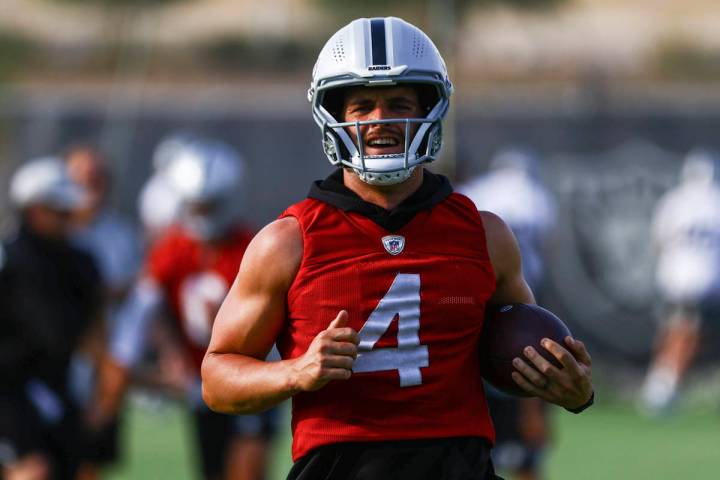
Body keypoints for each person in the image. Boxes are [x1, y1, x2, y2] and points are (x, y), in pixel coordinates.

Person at [201, 17, 594, 480]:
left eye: (399, 104)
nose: (380, 121)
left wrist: (572, 391)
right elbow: (216, 378)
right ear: (333, 114)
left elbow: (519, 352)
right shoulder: (288, 240)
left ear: (430, 109)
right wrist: (295, 372)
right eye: (362, 106)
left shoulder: (484, 234)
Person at [110, 136, 278, 480]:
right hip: (204, 380)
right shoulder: (173, 249)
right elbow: (143, 309)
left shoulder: (254, 247)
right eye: (197, 205)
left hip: (251, 371)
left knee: (248, 469)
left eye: (210, 205)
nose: (203, 215)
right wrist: (157, 353)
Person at [0, 157, 106, 480]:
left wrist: (99, 389)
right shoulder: (9, 261)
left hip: (58, 387)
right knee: (32, 471)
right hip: (7, 389)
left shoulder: (81, 263)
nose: (69, 218)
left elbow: (94, 331)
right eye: (60, 211)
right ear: (34, 211)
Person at [458, 148, 557, 480]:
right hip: (523, 297)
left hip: (469, 298)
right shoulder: (536, 196)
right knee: (527, 363)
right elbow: (547, 245)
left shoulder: (474, 195)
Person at [63, 143, 143, 478]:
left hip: (105, 363)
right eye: (82, 177)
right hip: (57, 358)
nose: (90, 185)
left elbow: (132, 297)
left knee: (90, 454)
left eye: (97, 178)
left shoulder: (122, 236)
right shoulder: (51, 234)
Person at [639, 148, 720, 415]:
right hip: (705, 278)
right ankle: (663, 388)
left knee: (673, 328)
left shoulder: (675, 199)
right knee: (688, 333)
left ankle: (659, 381)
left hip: (673, 274)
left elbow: (659, 241)